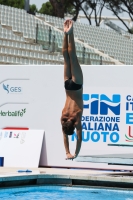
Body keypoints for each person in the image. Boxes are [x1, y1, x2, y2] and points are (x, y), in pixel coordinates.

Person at [61, 19, 83, 160]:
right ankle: (65, 34)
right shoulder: (63, 119)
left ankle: (71, 33)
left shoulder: (76, 119)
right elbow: (64, 136)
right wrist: (67, 152)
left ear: (73, 127)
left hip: (76, 86)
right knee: (66, 57)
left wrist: (75, 153)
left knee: (72, 56)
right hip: (67, 86)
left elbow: (79, 139)